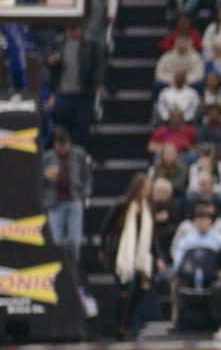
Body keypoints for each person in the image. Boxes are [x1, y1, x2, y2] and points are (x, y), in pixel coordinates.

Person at [99, 174, 163, 339]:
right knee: (124, 292)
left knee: (143, 289)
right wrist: (102, 249)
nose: (147, 192)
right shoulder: (123, 205)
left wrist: (159, 257)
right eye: (145, 188)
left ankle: (129, 324)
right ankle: (121, 328)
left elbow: (152, 237)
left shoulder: (148, 208)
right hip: (121, 255)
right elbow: (105, 227)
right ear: (138, 188)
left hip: (139, 257)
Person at [41, 126, 94, 261]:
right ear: (55, 145)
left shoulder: (79, 154)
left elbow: (87, 176)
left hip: (74, 201)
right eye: (59, 146)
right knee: (55, 241)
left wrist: (84, 195)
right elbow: (35, 177)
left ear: (69, 143)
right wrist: (44, 175)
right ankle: (56, 268)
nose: (62, 150)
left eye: (65, 146)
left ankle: (74, 270)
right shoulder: (47, 157)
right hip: (55, 203)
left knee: (74, 241)